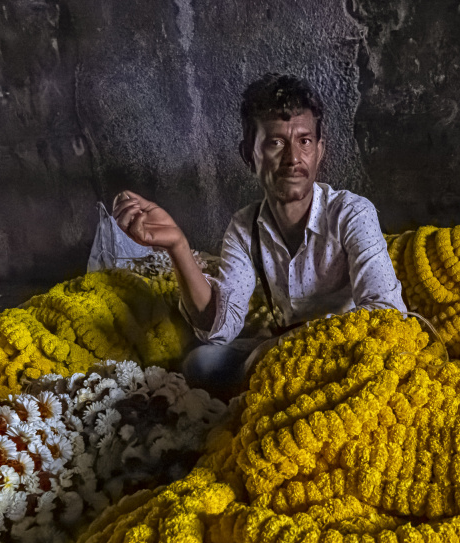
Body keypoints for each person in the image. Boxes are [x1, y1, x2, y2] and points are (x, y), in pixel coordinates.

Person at [113, 73, 405, 397]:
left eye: (305, 141)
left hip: (347, 350)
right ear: (248, 155)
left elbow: (386, 314)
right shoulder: (244, 227)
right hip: (281, 352)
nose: (293, 159)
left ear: (320, 151)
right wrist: (177, 246)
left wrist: (278, 347)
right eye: (275, 142)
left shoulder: (351, 213)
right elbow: (219, 329)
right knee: (200, 363)